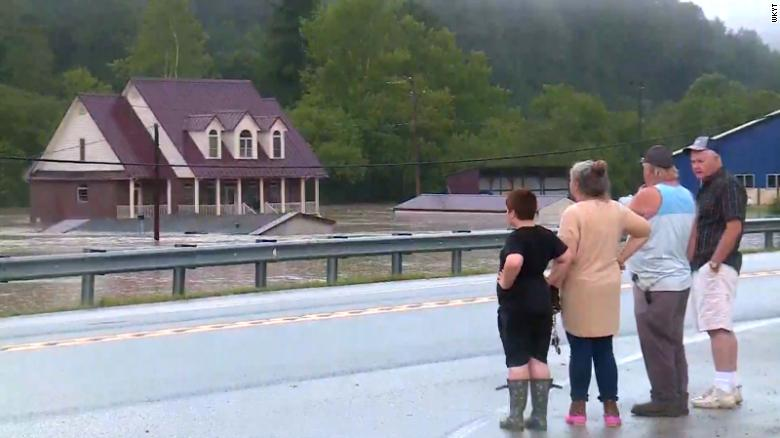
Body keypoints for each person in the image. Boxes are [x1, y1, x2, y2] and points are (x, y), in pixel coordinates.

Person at [550, 160, 650, 427]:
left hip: (580, 286)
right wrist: (621, 257)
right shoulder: (617, 210)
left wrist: (552, 283)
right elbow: (644, 230)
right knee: (605, 349)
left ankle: (578, 406)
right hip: (607, 286)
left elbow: (566, 256)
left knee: (580, 349)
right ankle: (611, 409)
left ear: (576, 184)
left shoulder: (574, 213)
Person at [618, 145, 696, 417]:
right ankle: (679, 395)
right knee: (674, 341)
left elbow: (622, 221)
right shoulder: (686, 195)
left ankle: (664, 398)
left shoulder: (649, 195)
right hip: (679, 278)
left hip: (654, 282)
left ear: (651, 169)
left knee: (655, 342)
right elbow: (692, 242)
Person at [496, 189, 572, 431]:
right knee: (538, 357)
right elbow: (568, 256)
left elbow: (514, 261)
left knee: (517, 358)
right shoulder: (546, 235)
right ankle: (539, 416)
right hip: (541, 301)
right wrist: (552, 280)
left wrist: (506, 282)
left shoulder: (516, 239)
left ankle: (516, 417)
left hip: (517, 304)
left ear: (512, 213)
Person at [683, 136, 747, 409]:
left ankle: (723, 389)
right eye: (693, 161)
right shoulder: (705, 188)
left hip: (717, 265)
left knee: (717, 325)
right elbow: (699, 227)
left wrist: (714, 262)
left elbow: (734, 226)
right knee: (719, 326)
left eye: (701, 160)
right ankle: (730, 383)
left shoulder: (727, 185)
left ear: (716, 158)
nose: (696, 165)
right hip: (705, 264)